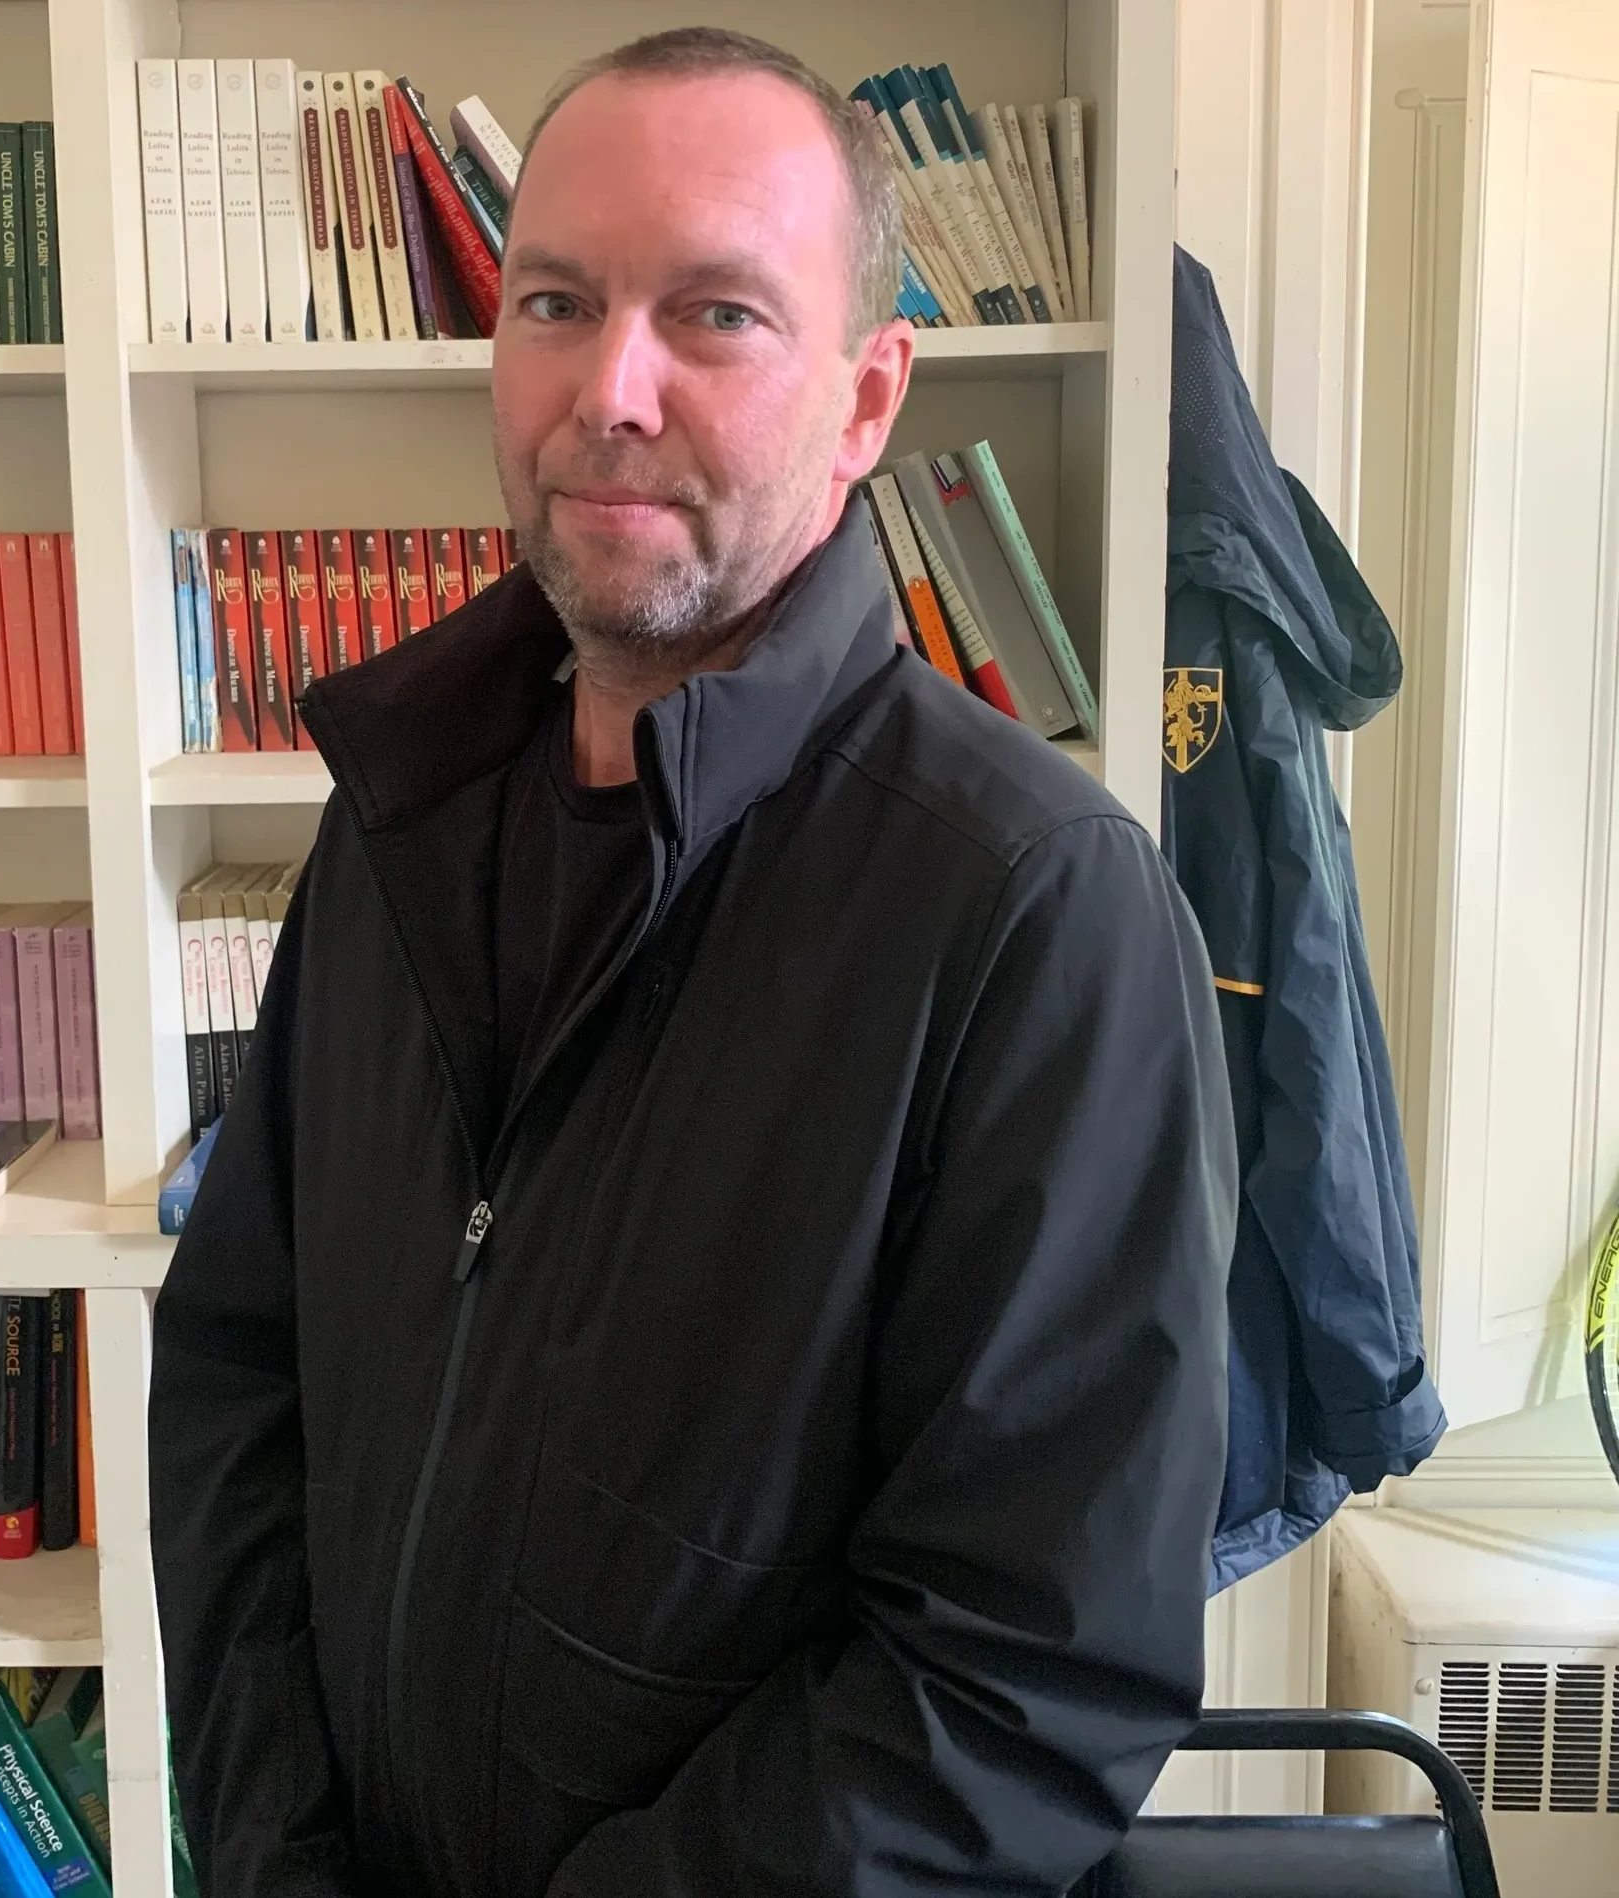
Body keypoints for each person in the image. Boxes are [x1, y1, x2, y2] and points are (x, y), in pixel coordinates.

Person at [149, 27, 1234, 1898]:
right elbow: (239, 1380)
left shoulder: (1034, 911)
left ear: (871, 394)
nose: (611, 389)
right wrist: (271, 1854)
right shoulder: (389, 824)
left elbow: (1022, 1672)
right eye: (554, 299)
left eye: (717, 314)